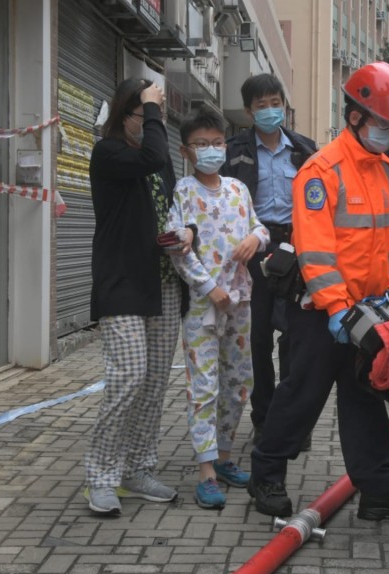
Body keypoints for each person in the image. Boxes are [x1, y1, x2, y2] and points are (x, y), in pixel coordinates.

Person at [247, 61, 389, 523]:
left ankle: (378, 489)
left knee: (368, 400)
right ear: (355, 117)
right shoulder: (320, 172)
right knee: (300, 395)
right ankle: (266, 475)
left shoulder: (388, 172)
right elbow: (316, 252)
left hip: (372, 313)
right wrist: (337, 310)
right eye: (383, 122)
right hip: (322, 314)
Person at [85, 78, 193, 516]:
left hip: (164, 283)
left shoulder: (160, 162)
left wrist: (190, 233)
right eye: (145, 114)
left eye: (156, 116)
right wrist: (152, 103)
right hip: (121, 282)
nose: (153, 122)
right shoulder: (108, 153)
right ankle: (101, 476)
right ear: (124, 115)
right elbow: (150, 154)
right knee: (129, 376)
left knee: (152, 386)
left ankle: (138, 469)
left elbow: (176, 212)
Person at [168, 109, 270, 510]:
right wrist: (209, 288)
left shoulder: (237, 190)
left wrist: (256, 240)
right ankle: (206, 470)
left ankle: (225, 457)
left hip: (241, 301)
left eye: (217, 143)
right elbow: (178, 249)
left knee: (239, 381)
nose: (211, 150)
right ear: (186, 150)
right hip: (203, 307)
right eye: (201, 144)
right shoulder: (184, 192)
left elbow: (260, 226)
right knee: (204, 387)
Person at [220, 74, 317, 451]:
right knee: (257, 338)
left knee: (296, 336)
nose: (270, 110)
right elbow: (224, 204)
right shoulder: (235, 150)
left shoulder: (306, 149)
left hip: (298, 248)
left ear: (284, 107)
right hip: (255, 250)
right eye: (261, 105)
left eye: (275, 102)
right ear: (248, 112)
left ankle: (292, 420)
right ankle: (264, 420)